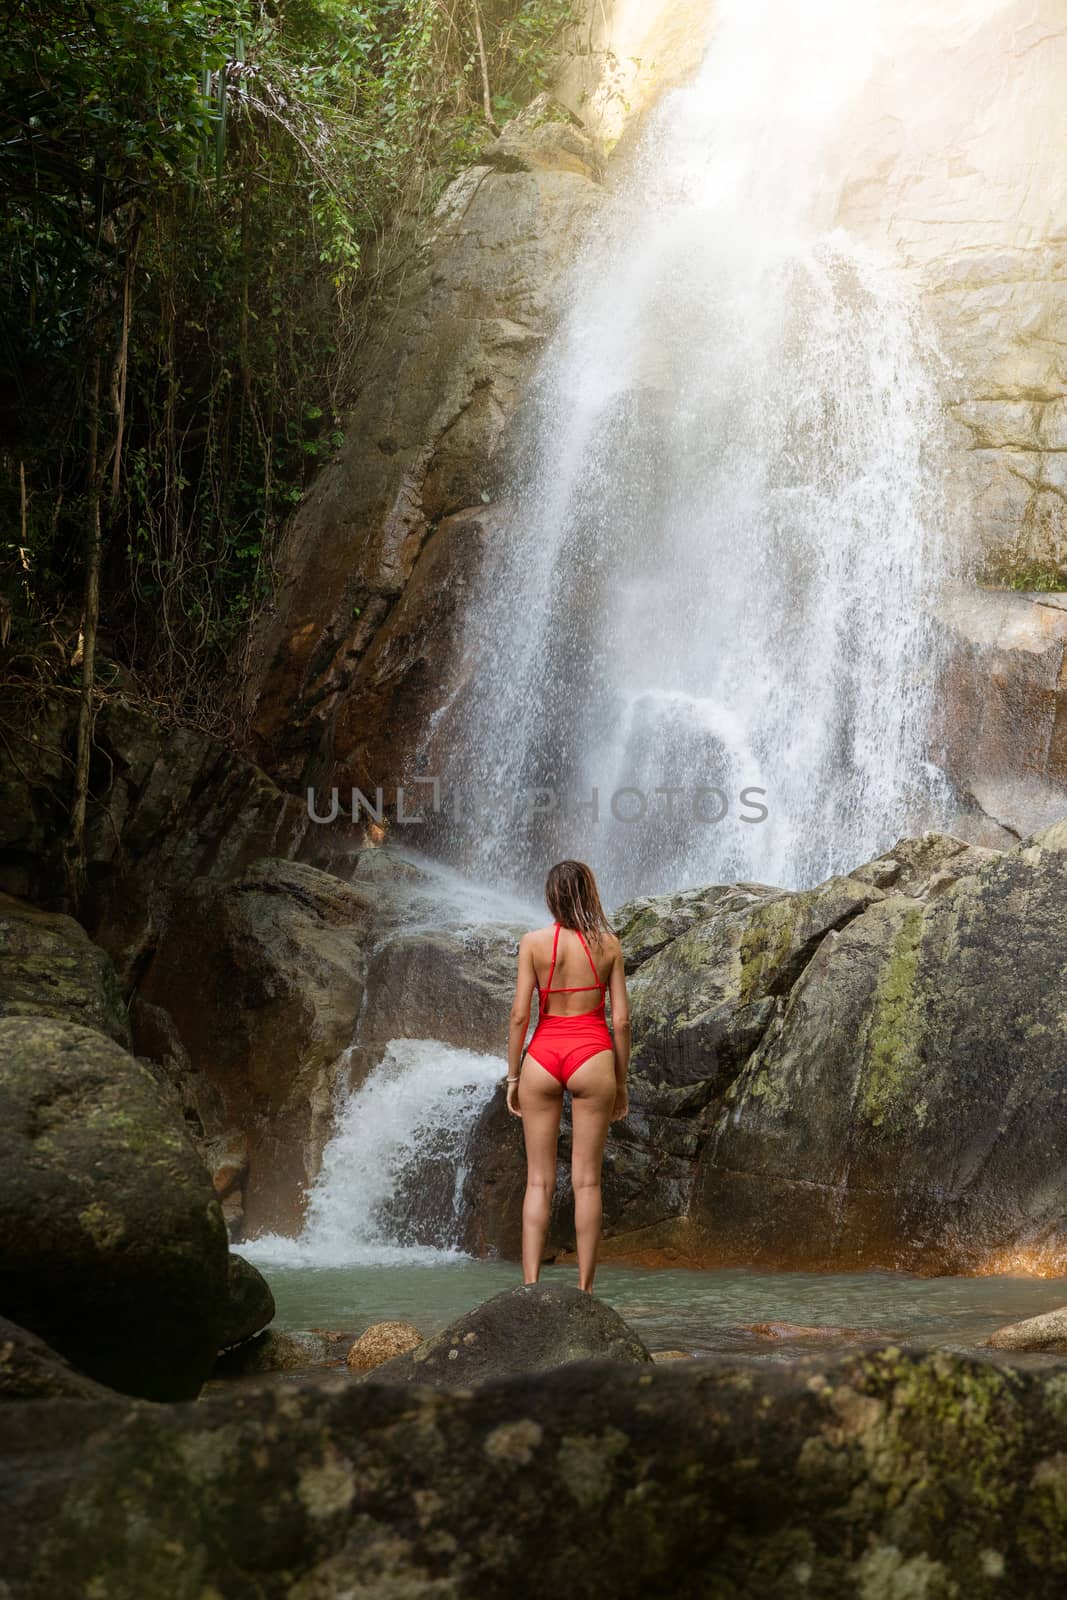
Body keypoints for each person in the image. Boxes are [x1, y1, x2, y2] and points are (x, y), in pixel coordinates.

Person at [506, 858, 630, 1292]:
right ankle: (585, 1291)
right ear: (589, 894)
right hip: (593, 1055)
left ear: (550, 896)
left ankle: (530, 1287)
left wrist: (513, 1077)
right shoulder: (609, 945)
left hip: (542, 1055)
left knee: (538, 1179)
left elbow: (521, 1014)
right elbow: (622, 1022)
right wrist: (622, 1080)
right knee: (586, 1180)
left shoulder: (533, 943)